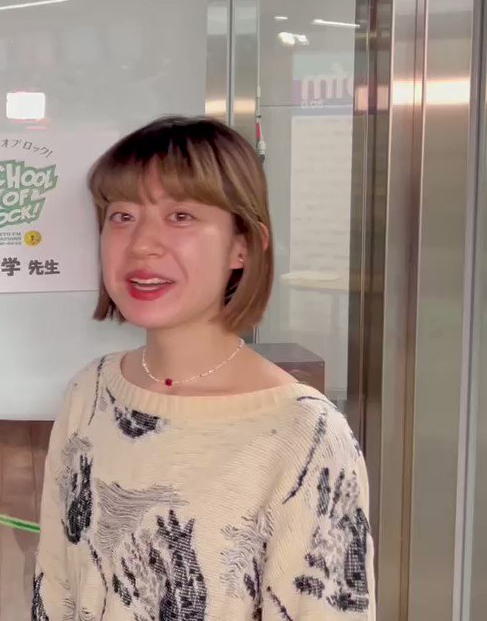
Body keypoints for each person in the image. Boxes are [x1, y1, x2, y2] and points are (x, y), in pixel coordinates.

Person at [33, 116, 374, 621]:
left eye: (181, 216)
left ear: (243, 245)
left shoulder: (305, 434)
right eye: (122, 215)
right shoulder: (91, 392)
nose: (141, 244)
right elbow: (55, 583)